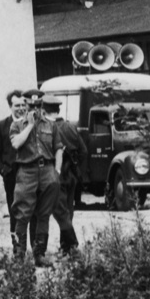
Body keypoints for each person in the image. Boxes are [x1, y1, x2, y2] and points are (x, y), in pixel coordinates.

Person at [10, 94, 64, 265]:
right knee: (22, 214)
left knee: (44, 214)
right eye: (31, 107)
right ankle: (19, 255)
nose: (35, 111)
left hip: (47, 170)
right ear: (25, 107)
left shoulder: (51, 125)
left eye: (38, 107)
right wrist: (30, 126)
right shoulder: (17, 125)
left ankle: (39, 254)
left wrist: (57, 171)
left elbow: (59, 149)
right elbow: (16, 144)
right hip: (27, 171)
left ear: (42, 107)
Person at [47, 100, 86, 254]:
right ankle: (66, 247)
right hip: (71, 175)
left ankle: (72, 245)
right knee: (68, 211)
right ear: (58, 110)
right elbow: (83, 151)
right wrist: (77, 170)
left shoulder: (48, 128)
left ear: (44, 111)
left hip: (55, 174)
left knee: (60, 212)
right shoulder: (70, 127)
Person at [0, 89, 30, 216]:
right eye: (17, 105)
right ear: (10, 107)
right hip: (12, 174)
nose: (21, 108)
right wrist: (3, 170)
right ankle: (15, 236)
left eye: (23, 105)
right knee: (15, 209)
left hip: (31, 173)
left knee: (33, 210)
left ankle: (33, 236)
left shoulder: (32, 123)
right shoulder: (1, 126)